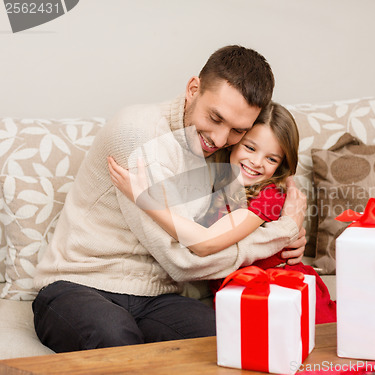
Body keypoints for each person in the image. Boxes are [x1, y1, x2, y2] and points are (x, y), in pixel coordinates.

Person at [32, 45, 307, 353]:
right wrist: (282, 232)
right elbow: (184, 260)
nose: (219, 139)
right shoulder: (139, 137)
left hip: (155, 298)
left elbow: (247, 211)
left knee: (235, 337)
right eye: (215, 117)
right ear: (193, 89)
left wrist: (287, 232)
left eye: (237, 131)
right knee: (115, 339)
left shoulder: (224, 156)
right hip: (79, 284)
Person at [108, 102, 337, 323]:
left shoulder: (269, 197)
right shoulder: (216, 186)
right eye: (250, 147)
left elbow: (206, 243)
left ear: (280, 164)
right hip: (239, 296)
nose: (256, 162)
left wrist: (143, 198)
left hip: (280, 294)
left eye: (271, 158)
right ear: (233, 142)